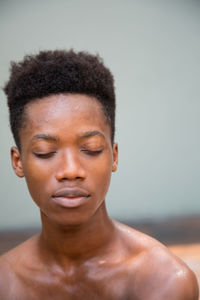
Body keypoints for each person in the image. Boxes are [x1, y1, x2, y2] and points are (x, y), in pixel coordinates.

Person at [0, 49, 198, 300]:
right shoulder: (5, 284)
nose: (70, 170)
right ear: (18, 162)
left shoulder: (165, 283)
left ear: (114, 156)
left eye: (91, 149)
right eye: (45, 152)